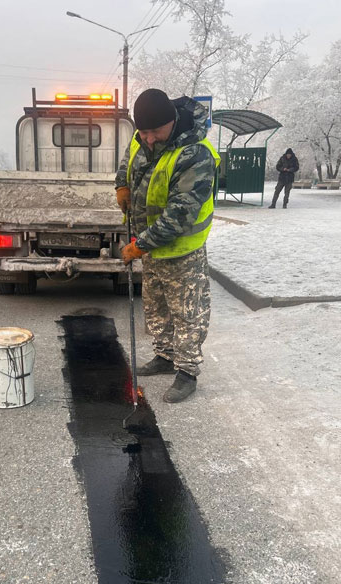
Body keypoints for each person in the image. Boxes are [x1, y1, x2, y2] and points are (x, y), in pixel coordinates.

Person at [115, 88, 220, 403]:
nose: (147, 139)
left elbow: (179, 215)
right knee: (156, 306)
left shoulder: (195, 155)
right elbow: (129, 158)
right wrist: (121, 183)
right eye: (142, 132)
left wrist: (139, 245)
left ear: (172, 121)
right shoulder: (143, 136)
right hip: (152, 249)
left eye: (154, 132)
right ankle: (164, 355)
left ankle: (187, 372)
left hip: (181, 250)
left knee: (188, 311)